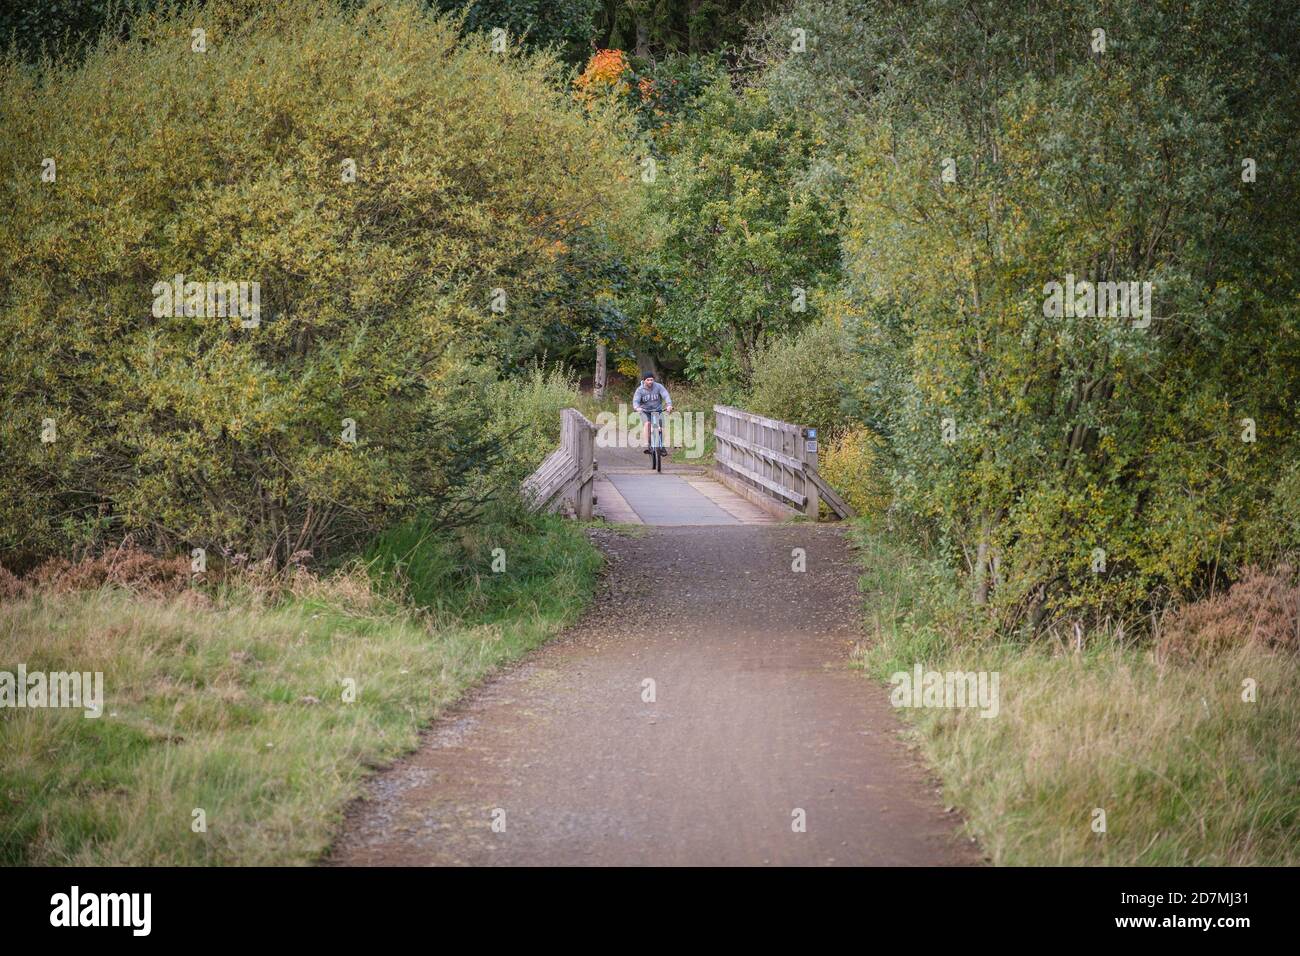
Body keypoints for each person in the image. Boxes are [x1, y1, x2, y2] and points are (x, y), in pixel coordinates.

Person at [632, 373, 673, 455]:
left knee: (661, 427)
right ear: (644, 380)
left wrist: (669, 405)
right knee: (647, 424)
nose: (650, 381)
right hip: (645, 411)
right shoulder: (640, 390)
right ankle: (647, 445)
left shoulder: (658, 386)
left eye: (652, 380)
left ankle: (661, 446)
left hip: (657, 411)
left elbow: (666, 395)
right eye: (648, 380)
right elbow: (635, 401)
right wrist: (637, 408)